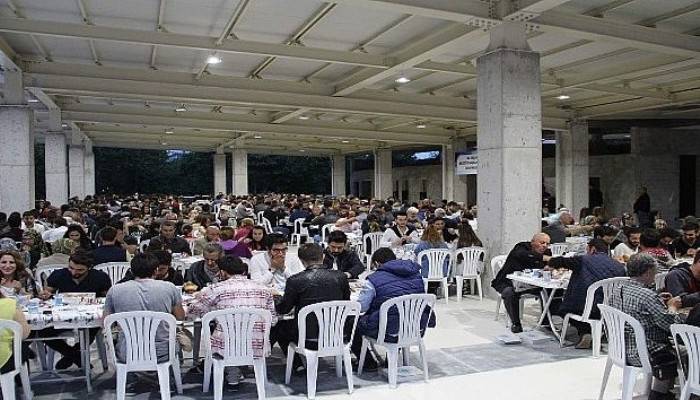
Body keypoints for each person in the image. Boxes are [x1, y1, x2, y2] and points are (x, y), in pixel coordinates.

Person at [187, 255, 278, 386]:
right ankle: (235, 372)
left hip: (225, 347)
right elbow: (273, 320)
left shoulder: (216, 289)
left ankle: (231, 373)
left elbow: (193, 311)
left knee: (224, 331)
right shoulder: (265, 290)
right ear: (243, 271)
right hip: (257, 345)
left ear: (222, 272)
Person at [608, 253, 682, 400]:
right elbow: (672, 325)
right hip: (645, 353)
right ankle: (662, 393)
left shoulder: (615, 290)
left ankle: (662, 392)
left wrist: (657, 300)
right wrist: (672, 307)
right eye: (654, 273)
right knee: (689, 353)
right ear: (648, 272)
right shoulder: (647, 296)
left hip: (621, 348)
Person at [272, 244, 350, 370]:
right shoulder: (340, 276)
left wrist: (277, 298)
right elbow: (346, 302)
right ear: (323, 256)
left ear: (301, 261)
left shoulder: (295, 280)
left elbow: (283, 310)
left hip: (308, 337)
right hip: (338, 334)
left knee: (280, 326)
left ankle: (296, 364)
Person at [353, 248, 435, 367]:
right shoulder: (417, 275)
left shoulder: (373, 279)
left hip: (387, 330)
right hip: (415, 326)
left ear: (377, 263)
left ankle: (367, 363)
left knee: (352, 323)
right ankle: (391, 359)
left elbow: (361, 307)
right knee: (399, 315)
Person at [104, 253, 184, 363]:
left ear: (131, 271)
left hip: (127, 352)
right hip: (164, 351)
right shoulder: (169, 287)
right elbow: (180, 317)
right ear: (155, 271)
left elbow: (106, 322)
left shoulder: (114, 290)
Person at [37, 249, 111, 369]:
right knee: (43, 331)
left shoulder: (100, 277)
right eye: (71, 268)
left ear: (89, 268)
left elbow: (106, 298)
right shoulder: (59, 274)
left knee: (91, 329)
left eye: (79, 270)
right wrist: (45, 294)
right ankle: (74, 355)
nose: (73, 272)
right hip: (62, 315)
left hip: (90, 316)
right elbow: (47, 292)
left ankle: (71, 355)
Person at [547, 239, 626, 348]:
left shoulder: (584, 260)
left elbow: (559, 262)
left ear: (592, 249)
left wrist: (550, 261)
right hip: (609, 308)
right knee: (591, 310)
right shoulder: (619, 265)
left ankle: (585, 332)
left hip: (585, 307)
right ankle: (595, 332)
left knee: (562, 309)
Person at [491, 233, 552, 333]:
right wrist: (544, 258)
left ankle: (547, 320)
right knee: (509, 292)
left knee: (551, 290)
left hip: (532, 283)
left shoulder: (547, 252)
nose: (545, 245)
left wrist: (549, 268)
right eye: (542, 243)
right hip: (507, 281)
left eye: (547, 243)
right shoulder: (521, 247)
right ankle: (516, 323)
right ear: (533, 242)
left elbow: (546, 268)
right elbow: (524, 255)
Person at [0, 290, 31, 374]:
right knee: (21, 346)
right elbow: (24, 334)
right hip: (4, 359)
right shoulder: (10, 304)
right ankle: (21, 381)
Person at [120, 250, 184, 285]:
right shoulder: (142, 273)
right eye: (155, 269)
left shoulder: (176, 277)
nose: (157, 273)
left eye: (162, 269)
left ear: (169, 265)